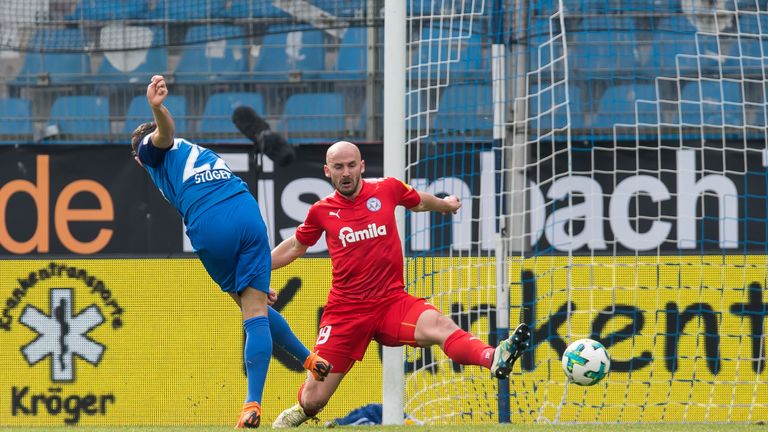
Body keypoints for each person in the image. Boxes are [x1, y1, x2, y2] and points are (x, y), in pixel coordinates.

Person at [270, 141, 531, 428]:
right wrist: (257, 269)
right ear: (327, 171)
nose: (346, 172)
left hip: (391, 302)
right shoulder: (321, 211)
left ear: (362, 167)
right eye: (338, 167)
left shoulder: (387, 188)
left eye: (351, 165)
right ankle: (301, 412)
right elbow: (295, 246)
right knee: (314, 399)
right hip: (346, 313)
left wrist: (444, 205)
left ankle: (492, 356)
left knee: (441, 325)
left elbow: (418, 201)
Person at [130, 75, 332, 429]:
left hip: (211, 223)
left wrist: (157, 107)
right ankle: (310, 359)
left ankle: (252, 404)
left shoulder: (152, 152)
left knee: (250, 310)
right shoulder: (195, 151)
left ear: (138, 158)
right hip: (248, 214)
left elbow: (161, 135)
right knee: (253, 305)